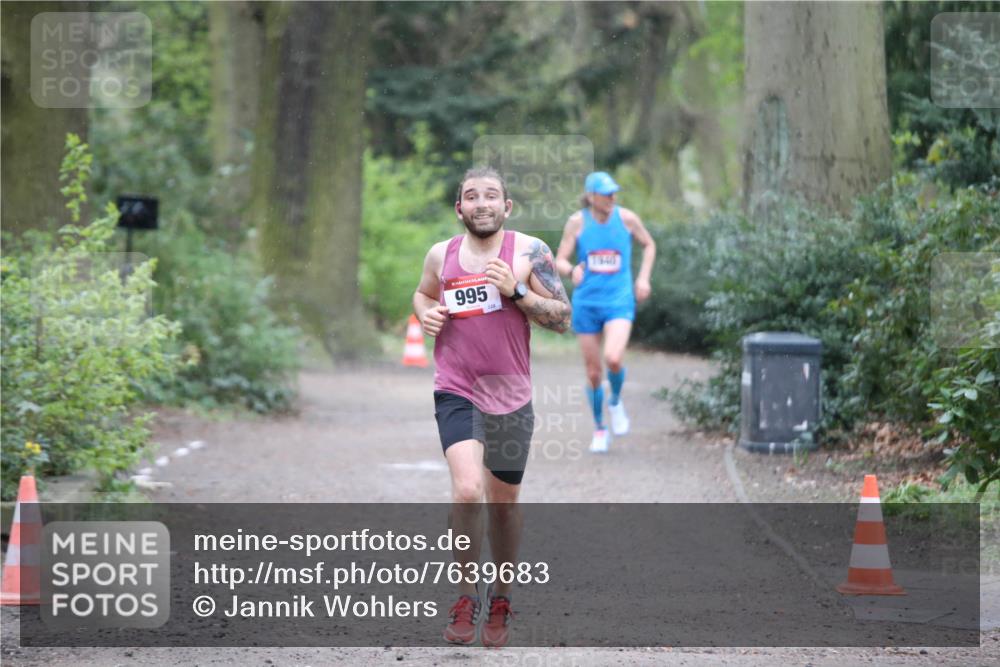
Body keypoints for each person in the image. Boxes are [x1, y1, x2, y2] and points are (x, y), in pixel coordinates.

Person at [413, 166, 572, 648]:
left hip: (510, 395)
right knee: (466, 490)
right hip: (456, 387)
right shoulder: (442, 254)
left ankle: (500, 596)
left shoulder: (529, 253)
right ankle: (466, 596)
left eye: (492, 196)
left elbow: (563, 318)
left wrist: (517, 292)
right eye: (471, 196)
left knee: (503, 506)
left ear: (507, 207)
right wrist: (428, 315)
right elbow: (421, 295)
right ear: (459, 208)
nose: (482, 203)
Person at [555, 171, 656, 453]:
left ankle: (615, 402)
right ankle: (600, 428)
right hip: (587, 303)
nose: (613, 197)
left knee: (613, 358)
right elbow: (559, 259)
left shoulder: (627, 219)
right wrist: (571, 269)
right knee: (593, 372)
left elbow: (649, 244)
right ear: (591, 197)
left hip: (619, 300)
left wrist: (643, 278)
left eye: (614, 192)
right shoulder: (577, 223)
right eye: (606, 193)